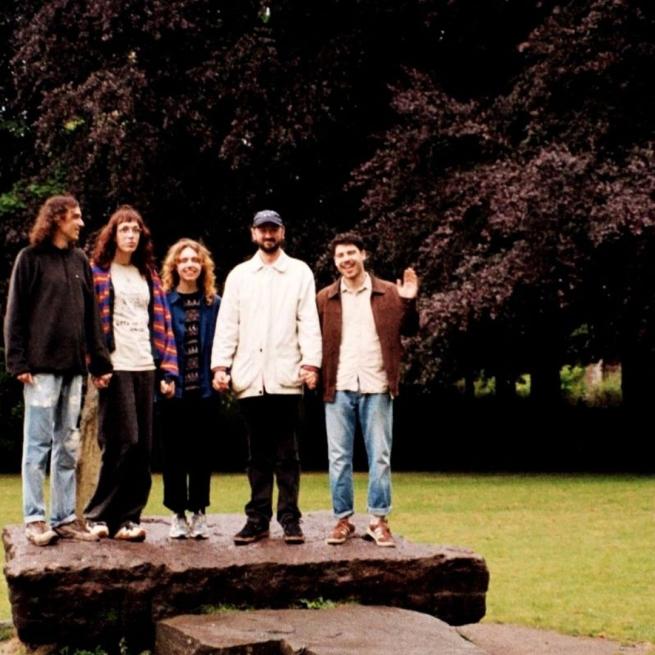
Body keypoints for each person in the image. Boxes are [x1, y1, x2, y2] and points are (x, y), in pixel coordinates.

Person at [3, 195, 113, 546]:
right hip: (40, 371)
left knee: (68, 445)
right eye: (75, 217)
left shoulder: (79, 260)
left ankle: (64, 518)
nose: (81, 223)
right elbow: (14, 313)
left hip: (74, 372)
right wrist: (17, 361)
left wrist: (99, 363)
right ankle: (35, 519)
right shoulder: (29, 259)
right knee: (37, 446)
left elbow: (91, 319)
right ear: (56, 219)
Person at [211, 209, 322, 545]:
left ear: (282, 233)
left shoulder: (299, 272)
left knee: (287, 454)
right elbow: (228, 324)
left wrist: (311, 364)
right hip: (250, 378)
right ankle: (257, 518)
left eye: (273, 229)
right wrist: (220, 366)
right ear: (253, 234)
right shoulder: (240, 276)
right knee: (257, 455)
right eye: (263, 230)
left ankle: (290, 519)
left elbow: (308, 322)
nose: (268, 235)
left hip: (286, 376)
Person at [316, 232, 418, 547]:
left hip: (376, 384)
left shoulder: (389, 292)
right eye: (340, 256)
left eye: (351, 253)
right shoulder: (325, 298)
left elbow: (412, 329)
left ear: (364, 255)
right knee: (338, 457)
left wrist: (409, 301)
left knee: (380, 456)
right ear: (334, 262)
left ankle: (378, 520)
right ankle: (343, 520)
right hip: (339, 385)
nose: (346, 260)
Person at [84, 205, 178, 541]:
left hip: (145, 365)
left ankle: (128, 519)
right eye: (124, 229)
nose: (130, 235)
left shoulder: (148, 274)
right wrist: (97, 363)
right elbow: (89, 323)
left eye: (136, 230)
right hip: (116, 365)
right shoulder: (98, 271)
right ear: (113, 234)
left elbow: (163, 323)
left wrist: (168, 370)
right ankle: (97, 515)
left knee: (142, 449)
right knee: (123, 441)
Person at [160, 239, 221, 539]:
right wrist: (164, 376)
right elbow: (158, 344)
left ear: (202, 266)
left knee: (202, 455)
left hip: (206, 391)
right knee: (174, 455)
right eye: (183, 260)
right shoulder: (164, 303)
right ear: (175, 266)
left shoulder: (214, 304)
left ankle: (199, 512)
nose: (189, 265)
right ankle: (177, 513)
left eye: (194, 260)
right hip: (174, 392)